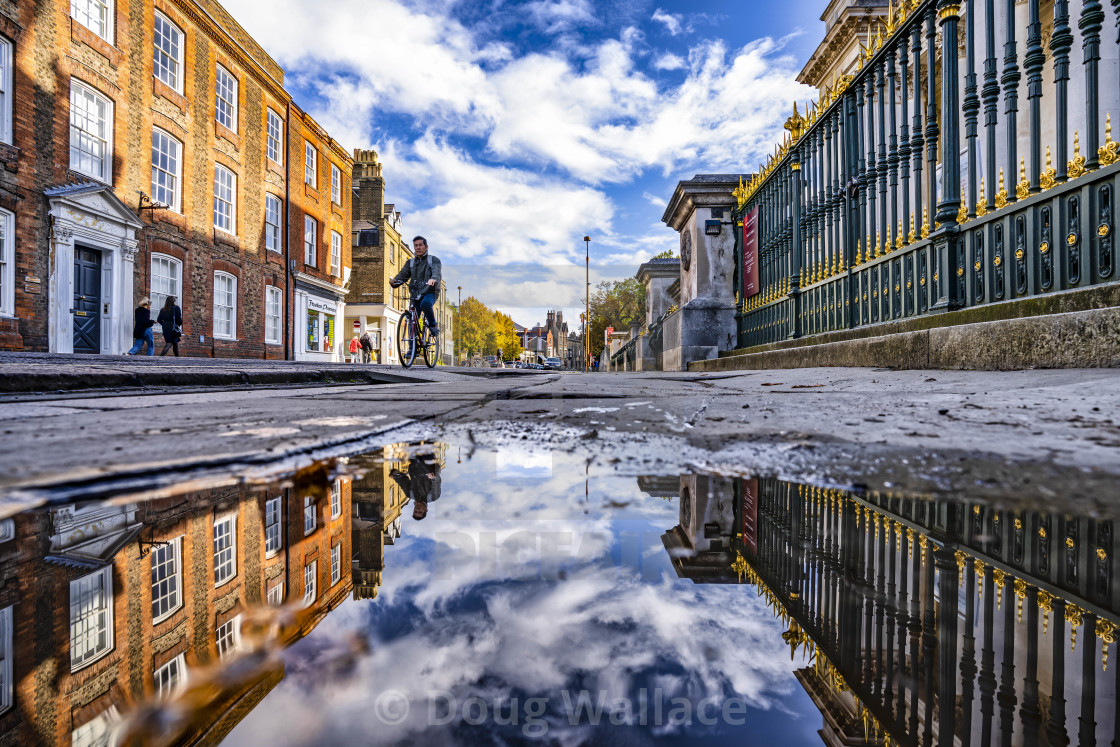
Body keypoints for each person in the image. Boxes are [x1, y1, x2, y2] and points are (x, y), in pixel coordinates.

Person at [389, 236, 442, 357]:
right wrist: (395, 281)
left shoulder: (433, 260)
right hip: (415, 294)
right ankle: (412, 349)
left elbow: (436, 272)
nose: (418, 247)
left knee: (425, 304)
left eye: (420, 245)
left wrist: (433, 279)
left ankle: (433, 325)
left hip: (430, 291)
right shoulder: (411, 263)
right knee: (411, 319)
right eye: (416, 245)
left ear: (426, 247)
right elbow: (403, 275)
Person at [389, 453, 442, 520]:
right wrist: (433, 477)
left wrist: (395, 475)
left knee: (413, 445)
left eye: (415, 511)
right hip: (427, 463)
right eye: (420, 512)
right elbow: (437, 482)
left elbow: (403, 481)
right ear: (426, 510)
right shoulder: (434, 497)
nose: (418, 509)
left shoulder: (410, 494)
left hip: (414, 463)